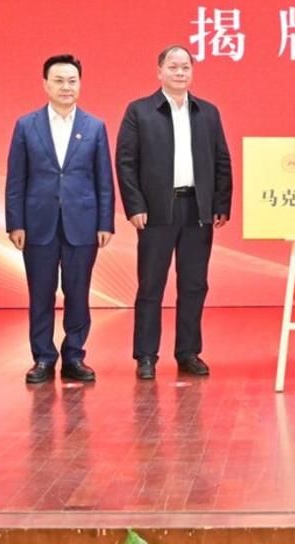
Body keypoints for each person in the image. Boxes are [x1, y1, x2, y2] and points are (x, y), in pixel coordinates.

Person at [116, 45, 232, 381]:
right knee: (151, 284)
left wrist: (220, 204)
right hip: (156, 211)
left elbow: (222, 160)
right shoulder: (140, 111)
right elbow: (126, 162)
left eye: (185, 67)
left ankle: (188, 352)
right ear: (160, 71)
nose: (180, 73)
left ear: (192, 72)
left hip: (197, 210)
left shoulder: (207, 112)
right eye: (173, 67)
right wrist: (135, 206)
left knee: (194, 284)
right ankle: (146, 355)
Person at [5, 54, 115, 384]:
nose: (66, 87)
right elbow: (16, 179)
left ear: (80, 84)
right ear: (45, 84)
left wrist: (105, 223)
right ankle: (42, 357)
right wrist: (15, 222)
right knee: (40, 293)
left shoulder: (94, 126)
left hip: (83, 224)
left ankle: (74, 355)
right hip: (37, 224)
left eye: (72, 81)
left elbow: (104, 180)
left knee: (78, 293)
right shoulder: (26, 125)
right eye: (59, 80)